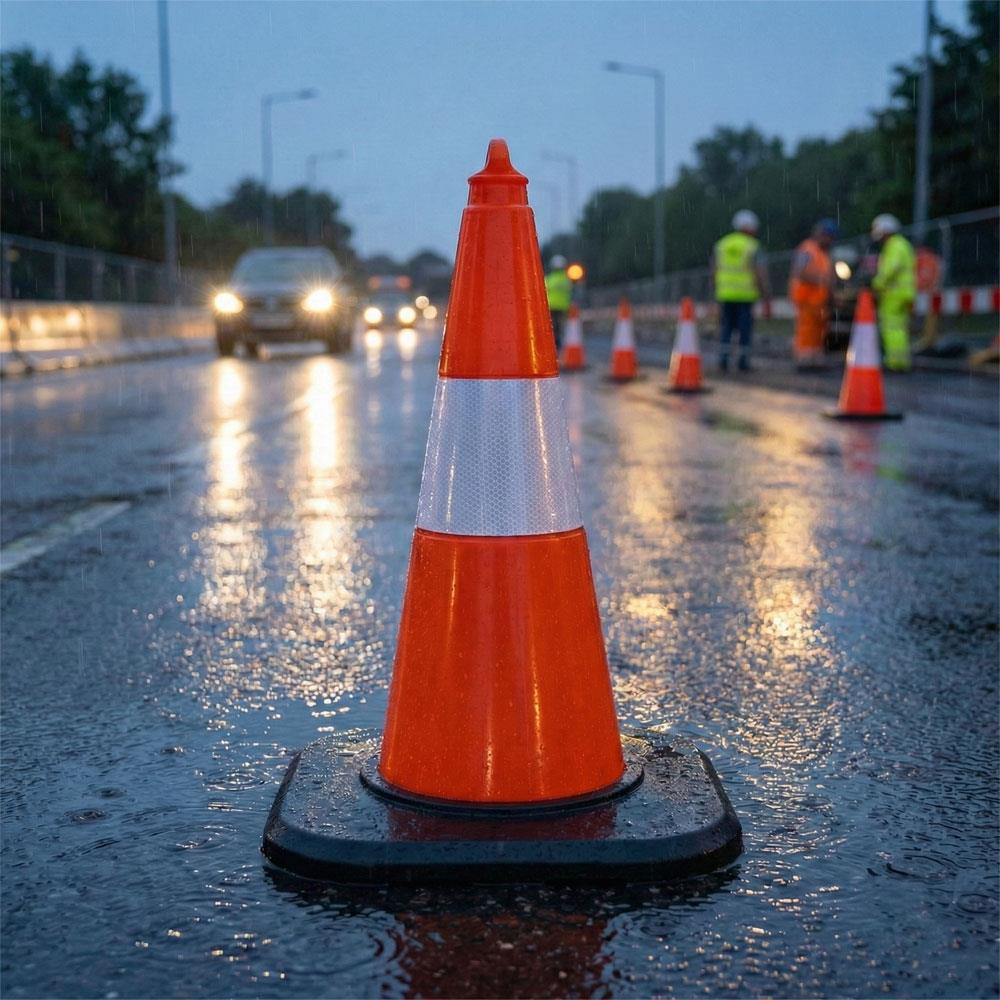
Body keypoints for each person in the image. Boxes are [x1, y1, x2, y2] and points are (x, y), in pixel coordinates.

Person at [712, 210, 770, 372]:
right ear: (750, 227)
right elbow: (760, 273)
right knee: (745, 329)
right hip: (745, 296)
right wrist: (766, 297)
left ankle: (723, 359)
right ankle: (743, 362)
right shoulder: (753, 246)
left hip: (725, 294)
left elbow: (714, 270)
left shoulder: (722, 244)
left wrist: (715, 292)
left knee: (726, 328)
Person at [870, 214, 916, 371]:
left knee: (892, 328)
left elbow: (890, 269)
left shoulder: (895, 245)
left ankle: (895, 363)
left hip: (894, 295)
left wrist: (876, 283)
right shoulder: (902, 244)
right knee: (900, 328)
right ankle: (901, 361)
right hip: (903, 293)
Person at [790, 219, 838, 368]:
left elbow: (829, 278)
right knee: (807, 330)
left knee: (819, 331)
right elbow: (799, 272)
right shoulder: (807, 249)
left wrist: (831, 294)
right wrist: (820, 280)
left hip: (819, 301)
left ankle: (815, 359)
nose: (830, 241)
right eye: (828, 236)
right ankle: (804, 359)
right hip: (806, 298)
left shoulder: (824, 254)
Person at [914, 243, 943, 351]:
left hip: (926, 293)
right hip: (927, 293)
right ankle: (929, 340)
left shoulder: (927, 259)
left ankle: (929, 340)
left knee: (931, 313)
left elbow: (926, 277)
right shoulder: (933, 259)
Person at [544, 255, 572, 349]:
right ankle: (558, 343)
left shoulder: (549, 279)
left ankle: (553, 343)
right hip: (563, 307)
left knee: (552, 327)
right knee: (560, 327)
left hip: (551, 306)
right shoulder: (567, 280)